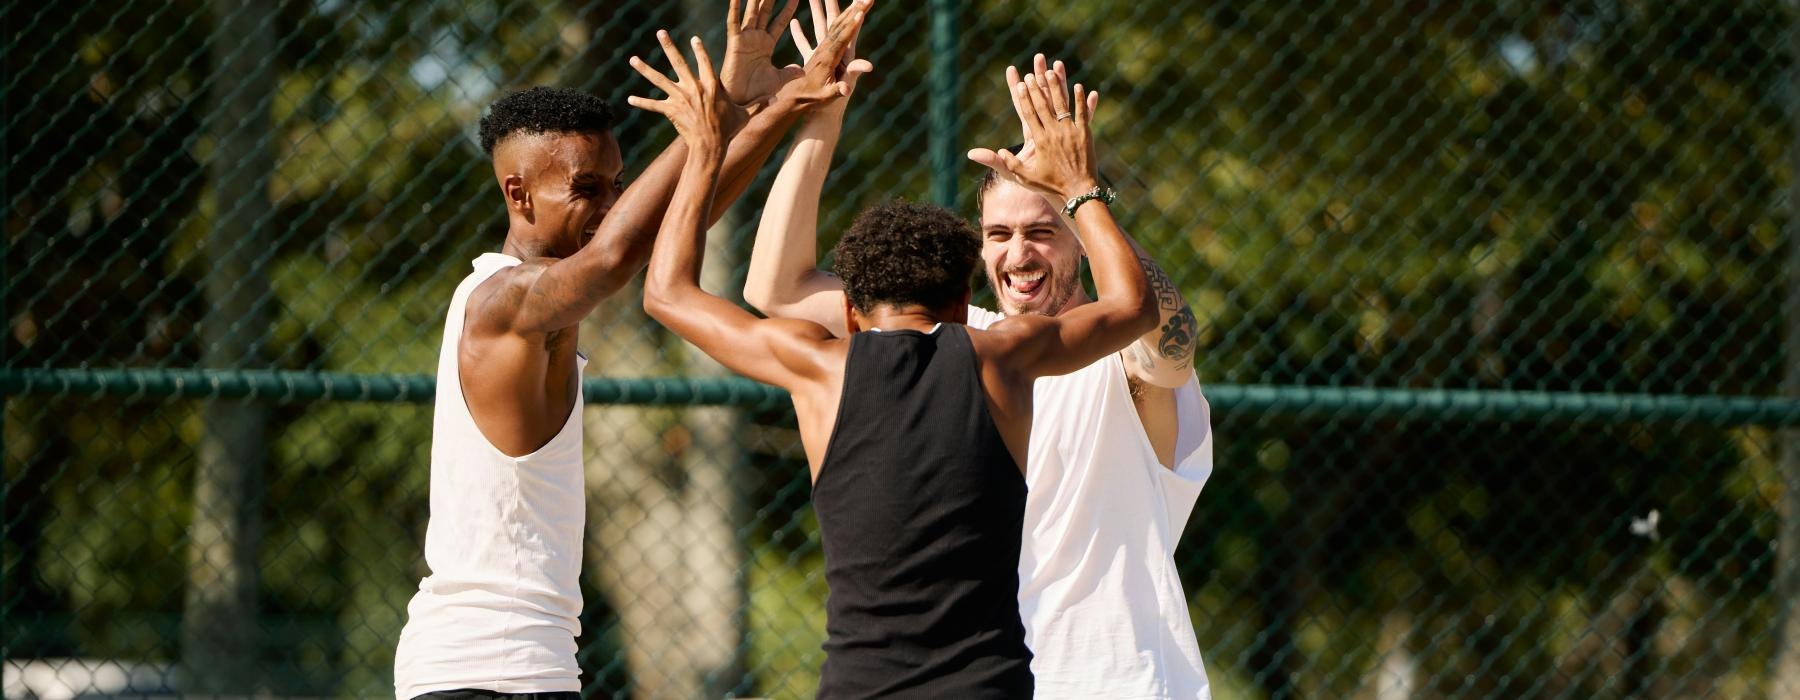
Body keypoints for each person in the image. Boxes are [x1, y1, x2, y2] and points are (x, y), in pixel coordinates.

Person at [629, 16, 1154, 696]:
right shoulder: (1004, 356)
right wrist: (1078, 184)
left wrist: (708, 148)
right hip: (985, 685)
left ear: (849, 310)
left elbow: (666, 292)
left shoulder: (815, 364)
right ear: (965, 303)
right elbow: (1133, 305)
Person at [391, 2, 872, 697]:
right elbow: (620, 252)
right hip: (482, 668)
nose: (609, 203)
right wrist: (726, 101)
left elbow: (673, 224)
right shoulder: (499, 304)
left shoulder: (548, 293)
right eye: (587, 189)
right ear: (517, 194)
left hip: (522, 665)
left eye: (615, 185)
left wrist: (779, 109)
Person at [744, 51, 1215, 698]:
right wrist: (820, 119)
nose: (1018, 253)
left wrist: (1079, 190)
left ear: (1081, 238)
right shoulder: (973, 348)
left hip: (1115, 681)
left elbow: (1163, 338)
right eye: (998, 233)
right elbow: (779, 287)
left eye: (1043, 230)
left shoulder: (1116, 357)